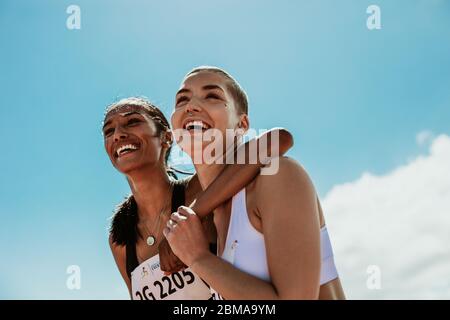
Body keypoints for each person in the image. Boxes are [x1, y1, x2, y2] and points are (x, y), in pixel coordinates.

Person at [165, 66, 346, 299]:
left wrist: (199, 258)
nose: (191, 105)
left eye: (212, 96)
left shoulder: (277, 177)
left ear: (242, 125)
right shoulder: (211, 223)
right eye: (182, 99)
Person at [104, 97, 293, 299]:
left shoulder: (202, 188)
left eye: (132, 122)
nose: (118, 135)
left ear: (167, 138)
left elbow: (278, 140)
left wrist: (192, 215)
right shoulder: (120, 240)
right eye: (109, 131)